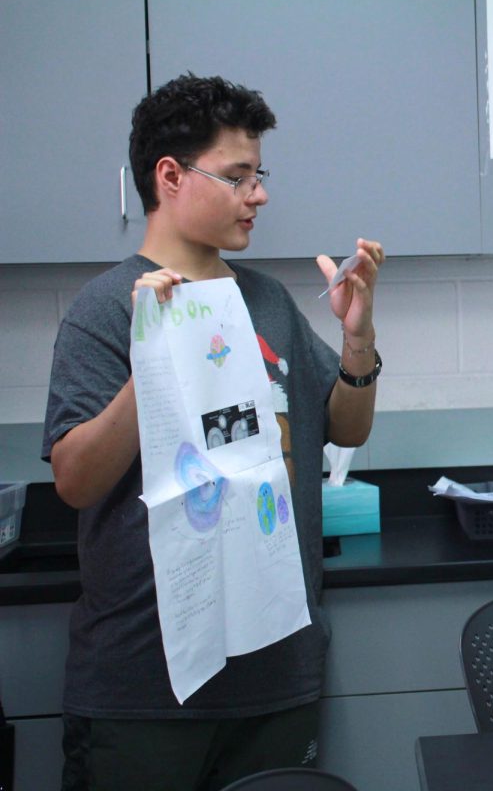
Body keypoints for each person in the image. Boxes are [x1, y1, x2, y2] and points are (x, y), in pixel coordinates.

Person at [42, 74, 385, 790]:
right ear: (169, 176)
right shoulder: (104, 309)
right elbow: (74, 480)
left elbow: (343, 426)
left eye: (259, 175)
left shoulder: (264, 299)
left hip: (275, 673)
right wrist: (154, 359)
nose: (258, 194)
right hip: (144, 689)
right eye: (237, 176)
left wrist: (358, 340)